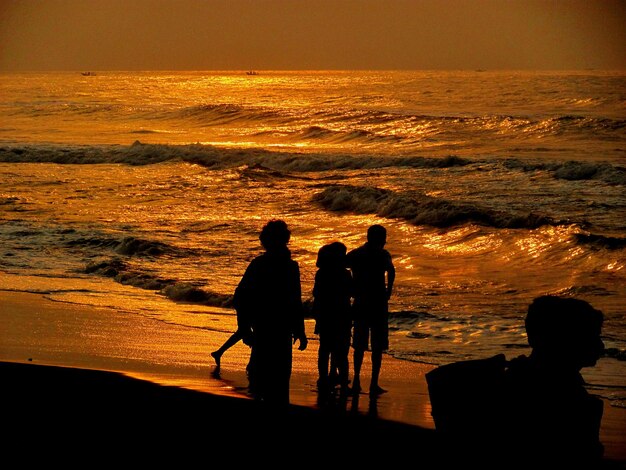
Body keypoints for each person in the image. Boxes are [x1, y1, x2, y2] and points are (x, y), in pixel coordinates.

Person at [502, 295, 605, 465]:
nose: (601, 346)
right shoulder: (571, 401)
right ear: (567, 341)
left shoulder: (514, 379)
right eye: (593, 335)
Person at [232, 219, 308, 405]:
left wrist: (243, 326)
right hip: (276, 328)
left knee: (261, 376)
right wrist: (300, 330)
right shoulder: (288, 266)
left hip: (267, 327)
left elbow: (240, 297)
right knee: (277, 379)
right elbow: (295, 302)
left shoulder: (261, 264)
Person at [347, 224, 395, 395]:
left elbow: (341, 266)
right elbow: (391, 270)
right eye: (384, 237)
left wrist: (351, 287)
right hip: (378, 303)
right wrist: (388, 291)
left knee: (359, 344)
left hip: (360, 301)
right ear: (381, 239)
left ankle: (357, 380)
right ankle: (373, 383)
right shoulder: (383, 255)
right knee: (377, 345)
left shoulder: (356, 253)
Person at [312, 241, 354, 394]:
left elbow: (316, 293)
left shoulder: (321, 273)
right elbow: (352, 292)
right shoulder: (344, 273)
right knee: (341, 350)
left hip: (324, 314)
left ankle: (324, 378)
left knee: (325, 348)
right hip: (341, 313)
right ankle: (342, 382)